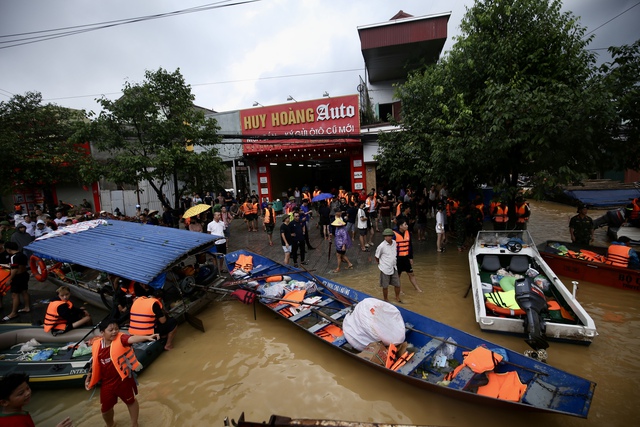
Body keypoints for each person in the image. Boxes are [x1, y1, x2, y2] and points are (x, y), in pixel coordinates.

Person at [85, 318, 159, 427]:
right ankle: (111, 425)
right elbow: (94, 364)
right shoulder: (97, 345)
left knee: (131, 401)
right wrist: (88, 378)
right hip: (107, 383)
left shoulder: (121, 339)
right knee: (105, 410)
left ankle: (134, 424)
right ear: (102, 332)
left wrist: (147, 337)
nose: (115, 332)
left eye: (116, 329)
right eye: (111, 330)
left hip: (123, 380)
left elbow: (131, 339)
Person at [1, 373, 73, 427]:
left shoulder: (16, 413)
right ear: (4, 402)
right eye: (21, 393)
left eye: (27, 388)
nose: (28, 393)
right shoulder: (16, 423)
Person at [129, 284, 177, 351]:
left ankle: (162, 337)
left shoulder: (137, 301)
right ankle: (168, 345)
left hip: (134, 334)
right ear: (159, 298)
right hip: (147, 334)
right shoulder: (153, 303)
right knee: (172, 322)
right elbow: (163, 321)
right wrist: (162, 310)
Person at [2, 242, 30, 322]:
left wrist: (9, 279)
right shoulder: (22, 255)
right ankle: (27, 307)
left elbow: (14, 269)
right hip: (24, 274)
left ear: (8, 249)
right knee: (24, 291)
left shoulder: (13, 257)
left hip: (17, 277)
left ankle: (13, 313)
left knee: (15, 294)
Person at [393, 220, 423, 293]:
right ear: (400, 226)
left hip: (406, 257)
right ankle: (399, 290)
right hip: (398, 258)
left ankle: (417, 288)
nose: (407, 226)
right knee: (398, 275)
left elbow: (410, 246)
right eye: (405, 224)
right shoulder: (394, 235)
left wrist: (411, 257)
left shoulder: (408, 233)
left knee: (411, 274)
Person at [375, 229, 402, 303]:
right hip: (385, 268)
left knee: (397, 284)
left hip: (393, 267)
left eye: (389, 236)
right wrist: (380, 264)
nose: (387, 237)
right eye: (386, 236)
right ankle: (386, 299)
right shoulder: (381, 246)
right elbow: (376, 257)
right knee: (385, 286)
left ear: (392, 236)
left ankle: (397, 297)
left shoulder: (394, 243)